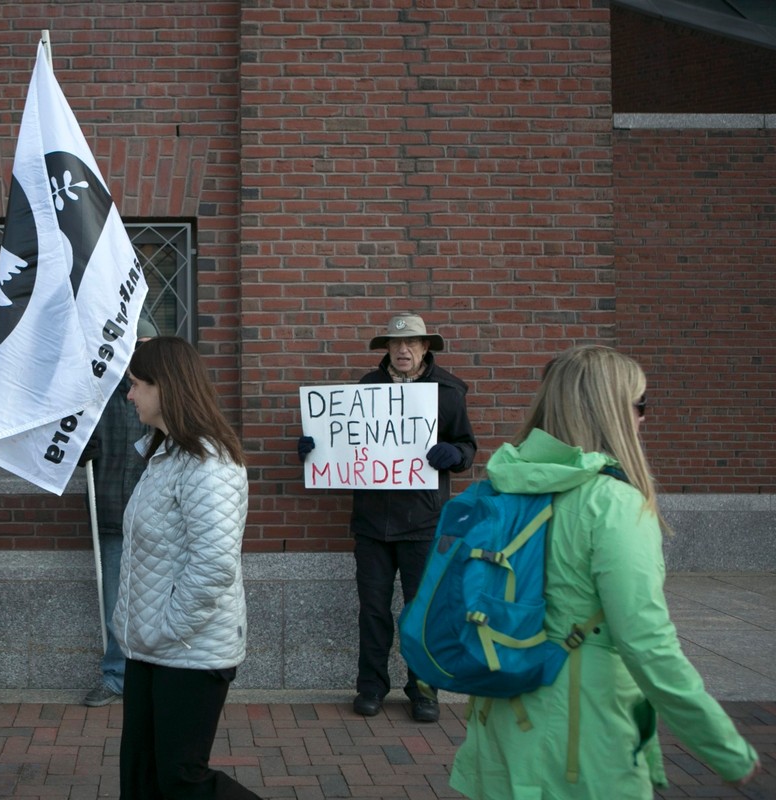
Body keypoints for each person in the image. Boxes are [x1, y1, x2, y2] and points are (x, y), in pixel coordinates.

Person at [449, 345, 760, 797]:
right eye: (640, 403)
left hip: (502, 715)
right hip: (580, 735)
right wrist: (724, 748)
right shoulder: (613, 504)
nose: (643, 417)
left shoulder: (506, 484)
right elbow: (647, 642)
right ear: (613, 411)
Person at [298, 312, 477, 722]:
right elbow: (342, 440)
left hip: (423, 522)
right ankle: (371, 686)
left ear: (425, 347)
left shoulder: (447, 392)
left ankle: (423, 690)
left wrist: (455, 454)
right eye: (395, 343)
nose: (403, 349)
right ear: (387, 349)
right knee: (373, 610)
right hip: (372, 522)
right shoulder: (366, 388)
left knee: (421, 610)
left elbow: (468, 446)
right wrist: (315, 447)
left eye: (411, 342)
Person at [113, 336, 260, 800]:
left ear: (166, 386)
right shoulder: (166, 454)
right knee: (141, 776)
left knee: (181, 780)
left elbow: (214, 564)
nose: (130, 395)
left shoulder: (207, 462)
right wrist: (147, 633)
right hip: (150, 648)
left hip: (189, 651)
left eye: (136, 384)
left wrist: (168, 628)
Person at [78, 318, 158, 708]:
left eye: (146, 345)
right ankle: (116, 675)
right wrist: (80, 448)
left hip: (157, 514)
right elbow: (69, 434)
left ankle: (159, 676)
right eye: (135, 345)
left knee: (159, 598)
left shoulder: (168, 392)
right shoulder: (100, 388)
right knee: (114, 601)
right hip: (111, 506)